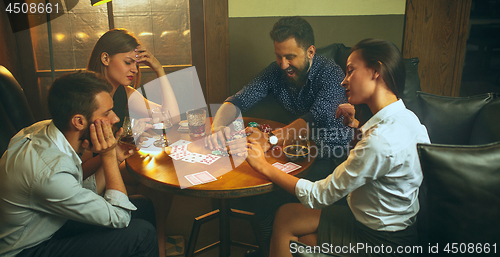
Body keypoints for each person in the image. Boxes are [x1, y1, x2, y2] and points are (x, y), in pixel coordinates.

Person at [246, 38, 430, 257]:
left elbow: (318, 195)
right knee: (288, 217)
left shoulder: (380, 140)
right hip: (398, 228)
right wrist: (356, 128)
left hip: (379, 240)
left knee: (291, 228)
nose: (344, 81)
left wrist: (262, 165)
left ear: (376, 71)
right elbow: (385, 164)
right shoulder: (409, 119)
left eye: (351, 71)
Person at [0, 71, 158, 257]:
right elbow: (120, 217)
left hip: (50, 223)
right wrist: (107, 156)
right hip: (26, 249)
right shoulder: (50, 173)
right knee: (141, 233)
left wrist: (114, 156)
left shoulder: (43, 129)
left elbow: (75, 192)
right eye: (107, 113)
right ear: (79, 121)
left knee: (143, 206)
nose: (115, 119)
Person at [205, 16, 352, 169]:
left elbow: (314, 120)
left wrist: (268, 139)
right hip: (292, 150)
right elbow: (239, 99)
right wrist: (218, 128)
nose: (283, 65)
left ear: (310, 52)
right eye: (278, 56)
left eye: (290, 57)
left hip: (332, 158)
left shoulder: (331, 74)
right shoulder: (275, 72)